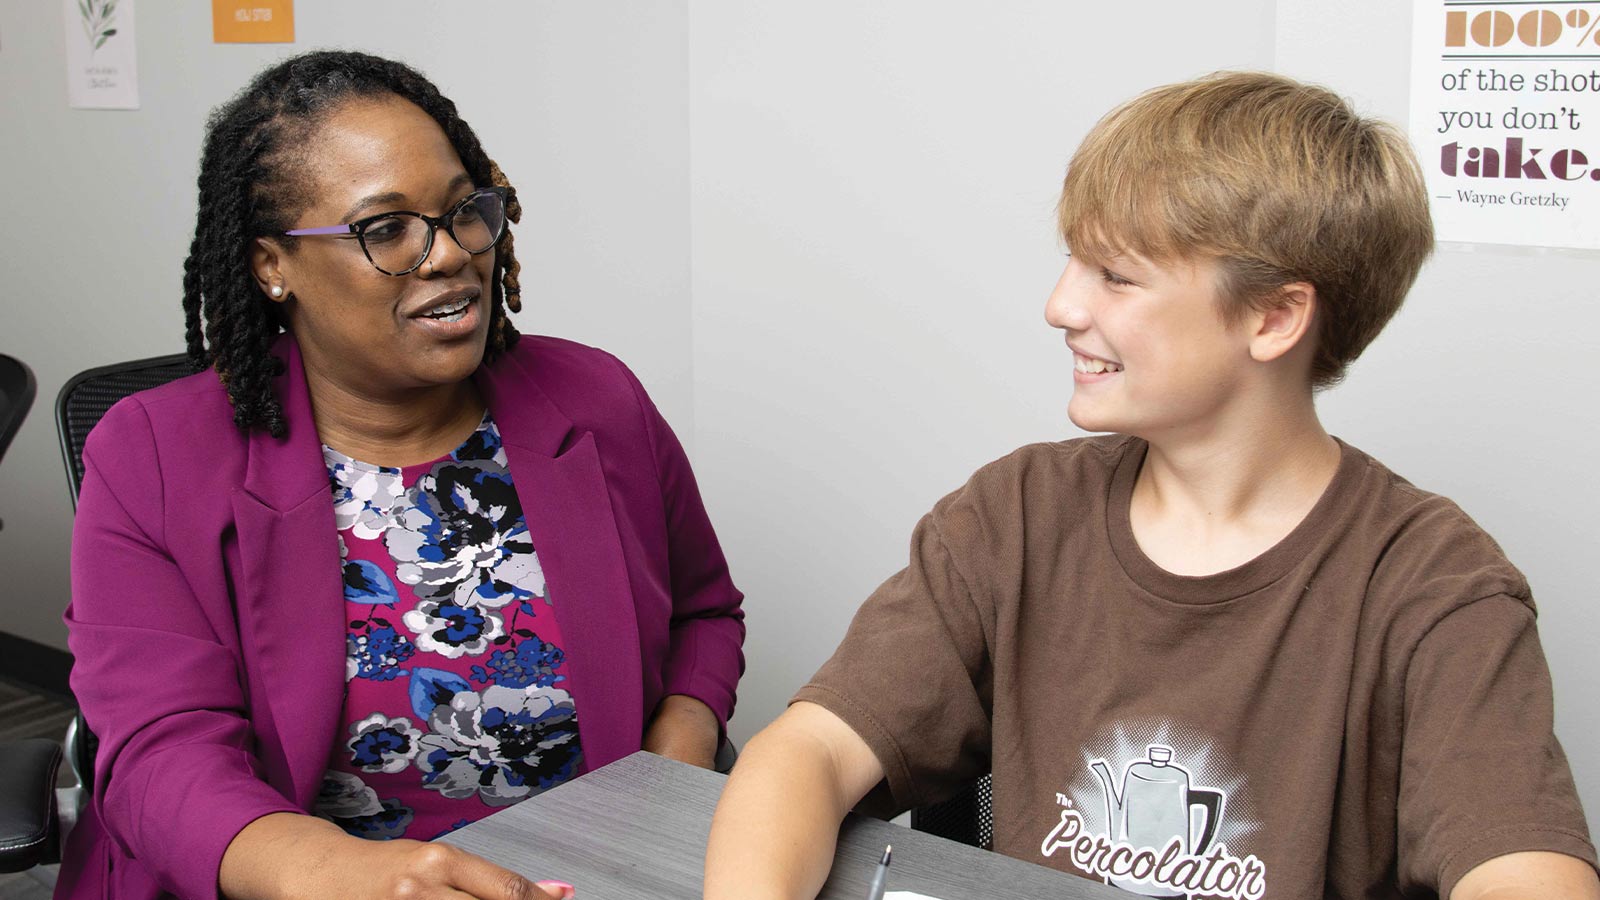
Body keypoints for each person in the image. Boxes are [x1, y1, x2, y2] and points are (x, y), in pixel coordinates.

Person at [703, 72, 1599, 899]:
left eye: (1117, 276)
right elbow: (808, 753)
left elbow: (1525, 873)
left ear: (1276, 317)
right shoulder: (1013, 518)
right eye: (1073, 262)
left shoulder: (1434, 585)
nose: (1061, 306)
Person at [58, 50, 744, 900]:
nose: (449, 254)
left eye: (463, 212)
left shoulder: (596, 401)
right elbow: (161, 754)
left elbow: (704, 613)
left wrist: (669, 777)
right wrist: (355, 879)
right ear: (272, 265)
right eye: (386, 230)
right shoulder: (151, 455)